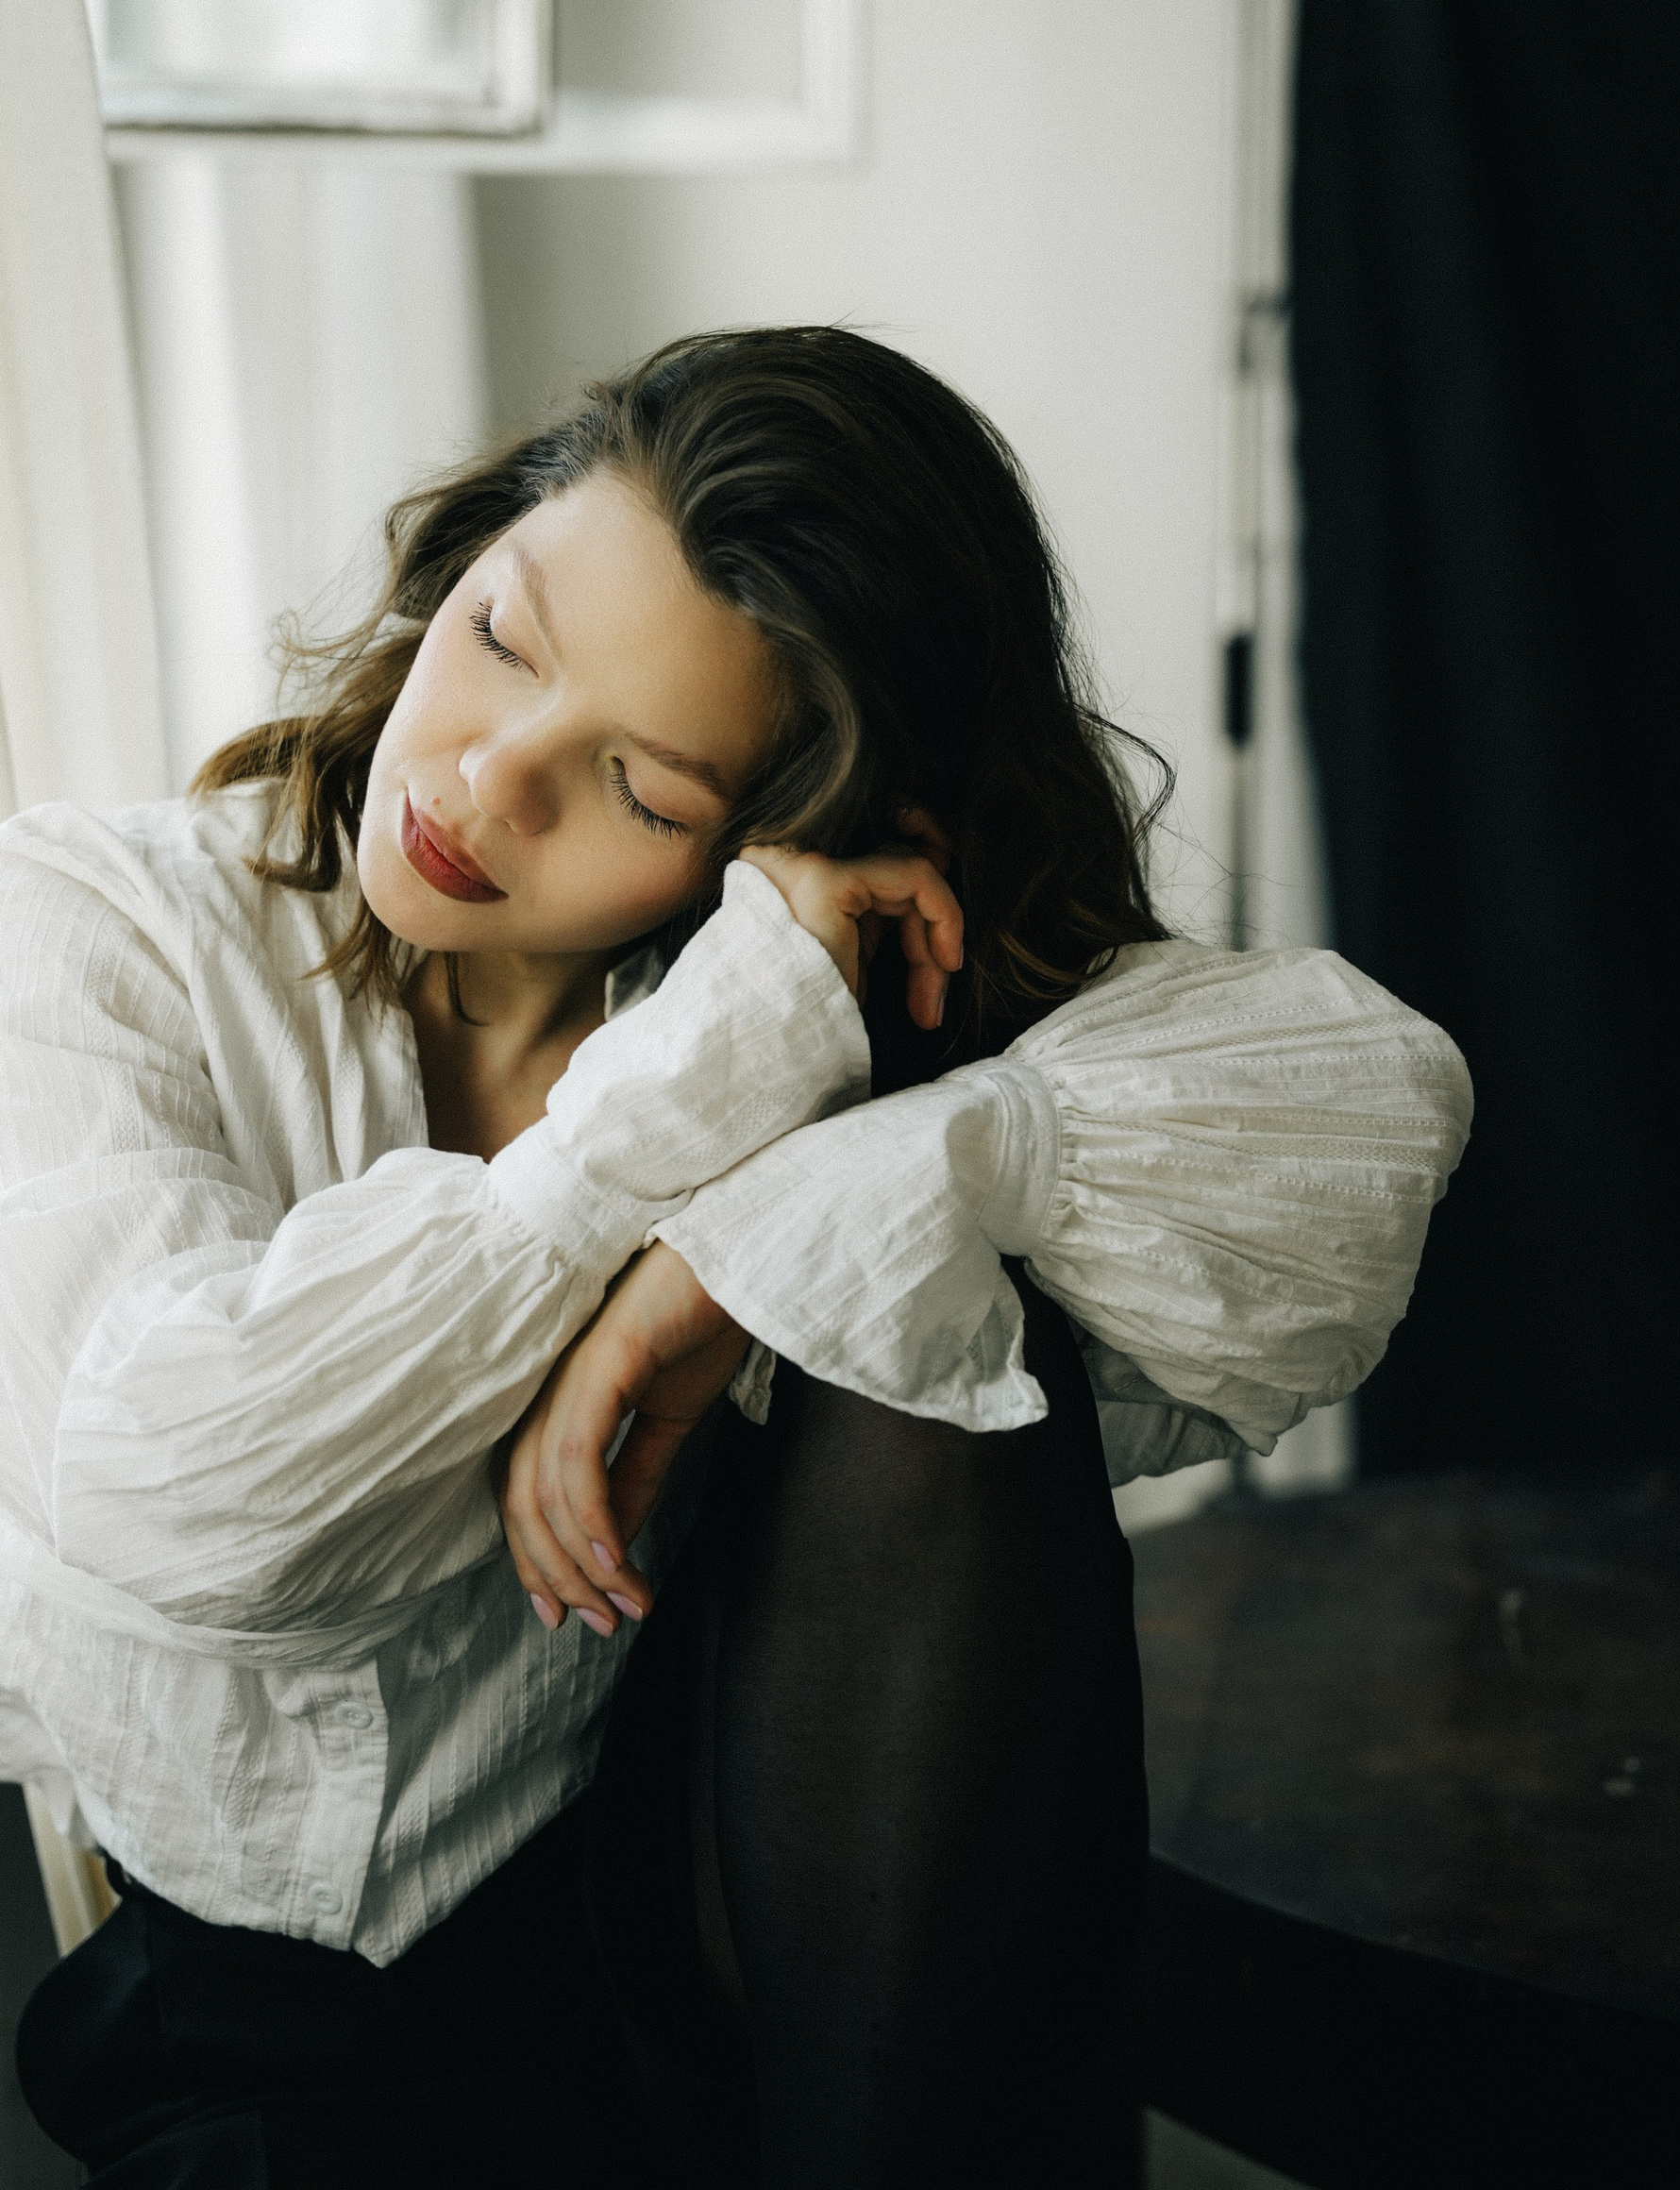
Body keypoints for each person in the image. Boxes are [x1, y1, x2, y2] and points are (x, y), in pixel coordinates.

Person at [1, 328, 1470, 2187]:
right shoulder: (95, 923)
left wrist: (733, 1260)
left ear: (780, 834)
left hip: (712, 1912)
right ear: (467, 553)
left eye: (646, 790)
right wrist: (664, 1117)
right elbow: (179, 1504)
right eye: (503, 635)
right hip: (264, 2022)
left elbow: (1373, 1113)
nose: (487, 779)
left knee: (929, 1347)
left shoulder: (815, 974)